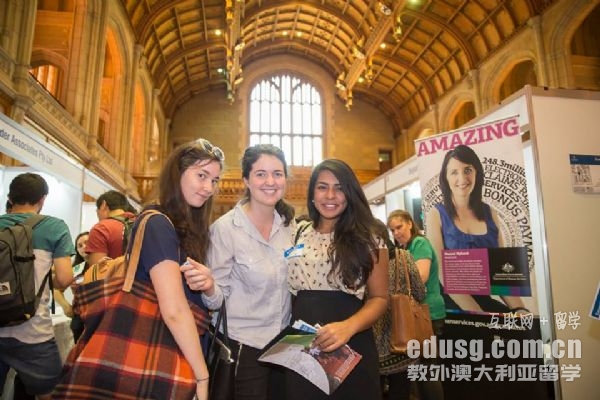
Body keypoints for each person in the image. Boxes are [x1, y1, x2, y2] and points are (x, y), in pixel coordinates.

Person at [185, 144, 295, 400]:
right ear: (246, 179)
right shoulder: (226, 230)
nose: (270, 182)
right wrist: (209, 286)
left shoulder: (290, 227)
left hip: (283, 347)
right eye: (261, 174)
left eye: (277, 174)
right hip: (244, 348)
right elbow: (215, 302)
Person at [285, 159, 388, 400]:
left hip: (351, 344)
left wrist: (348, 327)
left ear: (350, 194)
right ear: (312, 194)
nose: (330, 195)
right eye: (322, 187)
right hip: (302, 345)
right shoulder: (297, 233)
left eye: (339, 188)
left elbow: (380, 298)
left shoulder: (370, 238)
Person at [425, 144, 527, 313]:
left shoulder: (490, 213)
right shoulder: (436, 214)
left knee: (522, 325)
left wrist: (519, 309)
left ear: (476, 173)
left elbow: (501, 271)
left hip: (483, 303)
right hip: (451, 306)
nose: (462, 178)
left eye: (467, 170)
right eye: (454, 172)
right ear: (446, 178)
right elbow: (443, 274)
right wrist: (478, 316)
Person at [0, 173, 74, 400]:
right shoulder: (54, 227)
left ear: (10, 198)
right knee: (50, 394)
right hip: (32, 331)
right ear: (42, 199)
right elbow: (65, 279)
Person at [387, 209, 445, 400]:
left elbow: (421, 276)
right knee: (419, 371)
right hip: (414, 315)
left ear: (410, 223)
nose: (396, 233)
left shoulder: (419, 243)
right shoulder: (405, 249)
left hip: (428, 314)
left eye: (399, 227)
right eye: (392, 230)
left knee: (427, 370)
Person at [371, 221, 425, 400]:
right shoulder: (403, 257)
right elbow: (419, 292)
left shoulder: (363, 263)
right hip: (403, 337)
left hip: (372, 343)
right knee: (401, 391)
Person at [52, 231, 90, 342]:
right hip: (79, 319)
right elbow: (56, 289)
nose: (83, 247)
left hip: (98, 318)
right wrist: (66, 306)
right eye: (79, 246)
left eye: (87, 242)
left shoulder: (104, 264)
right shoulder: (76, 269)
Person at [85, 189, 136, 266]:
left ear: (103, 205)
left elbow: (97, 270)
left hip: (115, 274)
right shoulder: (141, 222)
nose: (98, 217)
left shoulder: (101, 228)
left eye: (97, 211)